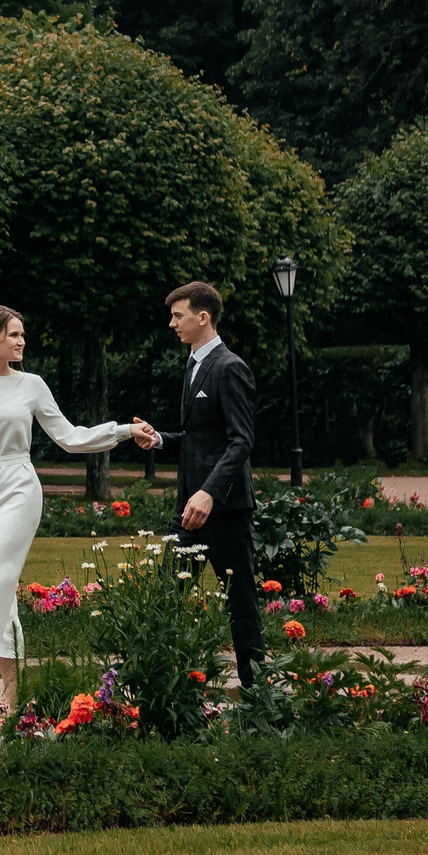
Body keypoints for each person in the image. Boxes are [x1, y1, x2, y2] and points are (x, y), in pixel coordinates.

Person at [0, 305, 162, 705]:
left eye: (23, 334)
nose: (22, 341)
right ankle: (2, 698)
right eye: (13, 335)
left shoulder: (32, 385)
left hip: (19, 490)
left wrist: (125, 430)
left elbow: (70, 437)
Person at [167, 280, 263, 686]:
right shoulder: (192, 365)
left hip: (223, 508)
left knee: (240, 603)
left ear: (202, 317)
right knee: (166, 597)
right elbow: (198, 438)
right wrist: (159, 439)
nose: (172, 323)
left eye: (178, 315)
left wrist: (208, 492)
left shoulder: (230, 367)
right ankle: (165, 691)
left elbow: (241, 441)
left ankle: (258, 695)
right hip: (187, 509)